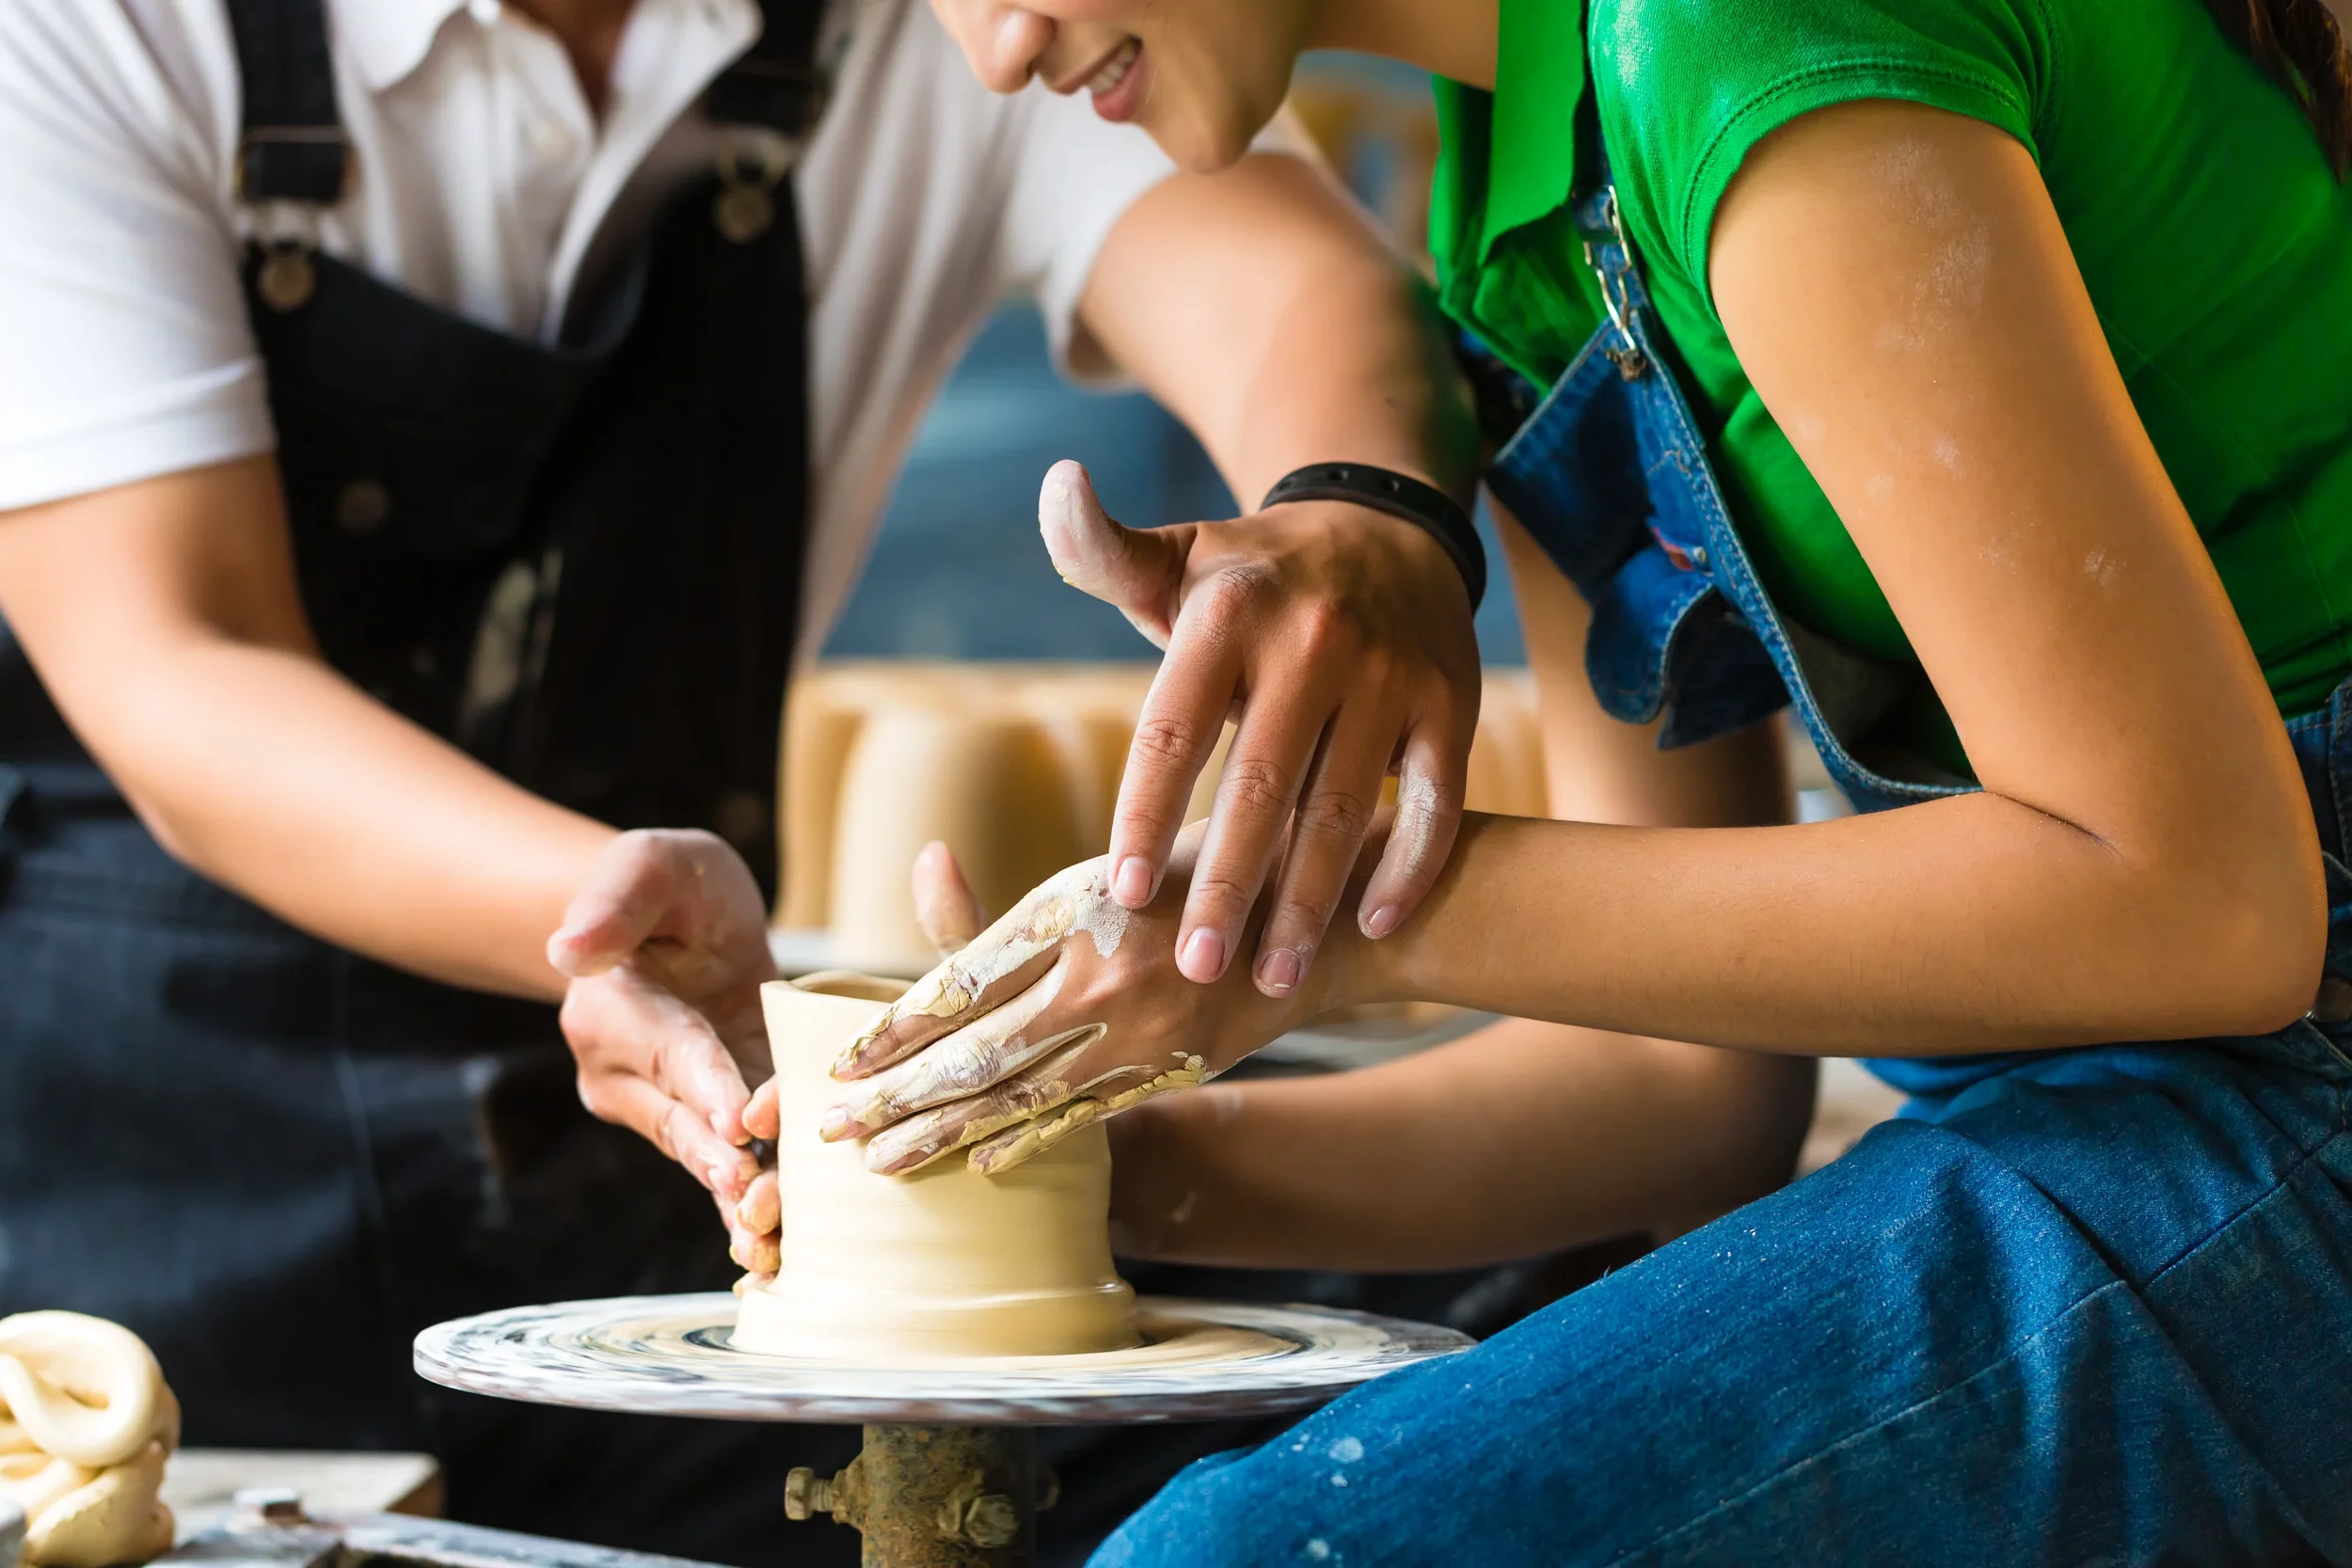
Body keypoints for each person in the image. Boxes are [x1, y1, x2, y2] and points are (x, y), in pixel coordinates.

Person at [820, 0, 2352, 1559]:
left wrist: (1351, 912)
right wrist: (1075, 1170)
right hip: (2092, 1088)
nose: (995, 49)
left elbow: (2203, 906)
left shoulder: (1732, 34)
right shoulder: (1509, 218)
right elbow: (1685, 1089)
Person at [0, 0, 1489, 1560]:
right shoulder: (98, 30)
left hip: (692, 1194)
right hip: (178, 1228)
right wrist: (597, 909)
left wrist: (1355, 519)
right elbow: (182, 659)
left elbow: (1306, 293)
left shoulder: (958, 18)